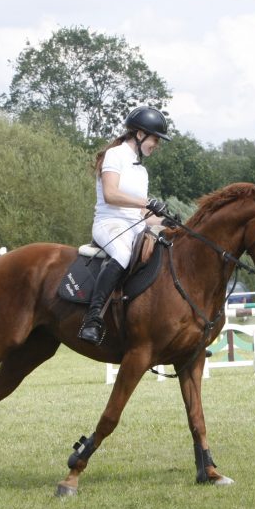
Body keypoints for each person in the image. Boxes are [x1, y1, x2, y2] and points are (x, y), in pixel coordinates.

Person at [77, 106, 171, 345]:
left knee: (164, 249)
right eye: (155, 139)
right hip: (109, 223)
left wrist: (164, 220)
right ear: (140, 135)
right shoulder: (115, 155)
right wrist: (148, 202)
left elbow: (141, 214)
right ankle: (93, 318)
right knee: (123, 252)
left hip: (135, 225)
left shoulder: (141, 171)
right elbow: (110, 194)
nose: (156, 145)